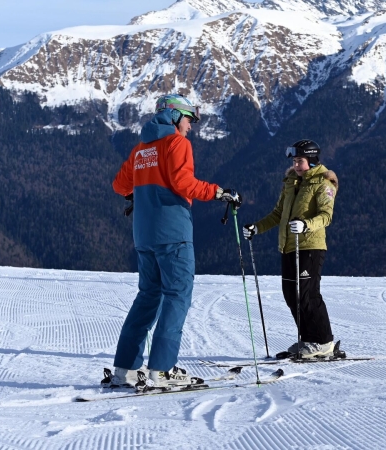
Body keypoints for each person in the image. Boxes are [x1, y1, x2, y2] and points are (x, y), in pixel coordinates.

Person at [106, 94, 241, 388]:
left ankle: (125, 369)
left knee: (147, 297)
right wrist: (219, 192)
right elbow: (184, 183)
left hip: (144, 235)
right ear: (175, 116)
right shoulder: (176, 143)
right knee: (177, 296)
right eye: (189, 120)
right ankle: (162, 370)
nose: (191, 126)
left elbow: (119, 185)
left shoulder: (141, 149)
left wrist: (138, 193)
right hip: (173, 234)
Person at [242, 139, 338, 358]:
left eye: (300, 161)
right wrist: (257, 228)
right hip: (288, 246)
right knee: (290, 295)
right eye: (294, 161)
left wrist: (306, 225)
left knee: (307, 295)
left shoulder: (323, 184)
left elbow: (326, 216)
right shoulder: (291, 182)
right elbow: (278, 214)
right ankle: (308, 339)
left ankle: (323, 342)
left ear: (312, 161)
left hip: (310, 246)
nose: (296, 165)